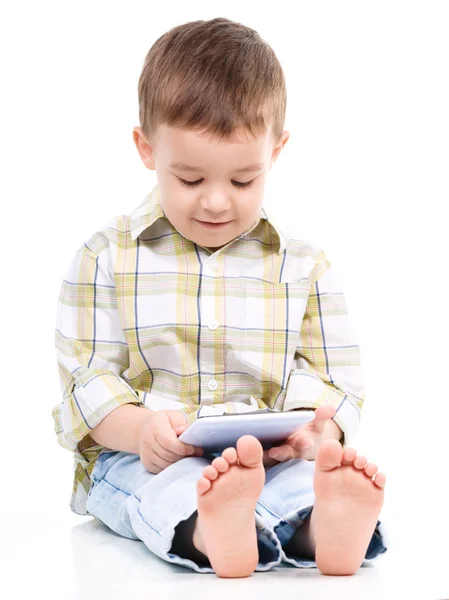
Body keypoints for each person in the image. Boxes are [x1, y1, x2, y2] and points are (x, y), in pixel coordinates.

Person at [52, 17, 388, 579]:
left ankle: (322, 526)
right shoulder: (105, 255)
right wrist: (139, 430)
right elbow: (86, 382)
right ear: (146, 147)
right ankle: (215, 530)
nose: (215, 202)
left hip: (269, 456)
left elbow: (334, 380)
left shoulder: (302, 265)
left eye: (242, 181)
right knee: (163, 491)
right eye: (188, 179)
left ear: (276, 152)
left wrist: (315, 430)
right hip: (145, 456)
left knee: (302, 482)